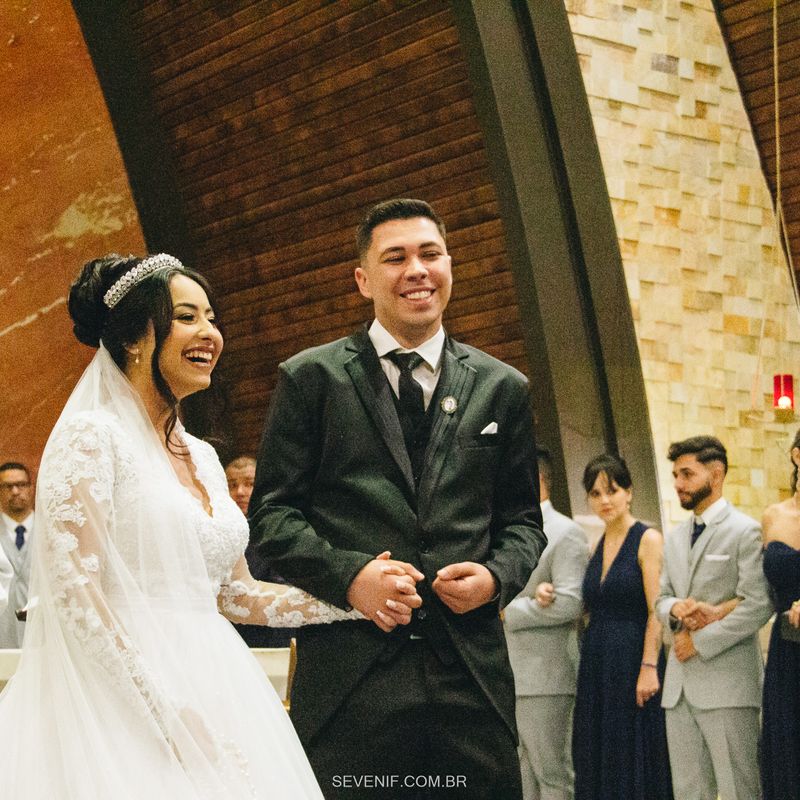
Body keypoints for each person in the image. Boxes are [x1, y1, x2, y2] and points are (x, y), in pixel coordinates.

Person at [0, 252, 422, 799]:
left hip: (221, 679)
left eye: (212, 318)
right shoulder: (91, 438)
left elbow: (234, 593)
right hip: (116, 697)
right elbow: (77, 597)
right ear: (134, 337)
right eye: (186, 317)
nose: (210, 333)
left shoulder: (200, 456)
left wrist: (350, 595)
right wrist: (164, 711)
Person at [249, 198, 547, 799]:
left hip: (469, 674)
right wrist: (352, 576)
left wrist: (493, 579)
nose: (417, 269)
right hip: (352, 677)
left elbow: (523, 523)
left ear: (450, 267)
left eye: (429, 254)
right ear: (363, 280)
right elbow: (272, 517)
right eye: (396, 258)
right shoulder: (312, 379)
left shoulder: (502, 387)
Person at [656, 435, 772, 800]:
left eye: (687, 474)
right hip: (678, 688)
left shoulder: (745, 530)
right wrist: (674, 609)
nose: (678, 483)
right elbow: (659, 599)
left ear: (716, 474)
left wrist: (700, 643)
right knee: (688, 792)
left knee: (739, 790)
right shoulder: (673, 537)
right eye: (675, 474)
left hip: (728, 685)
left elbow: (758, 604)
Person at [572, 454, 673, 800]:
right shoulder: (596, 544)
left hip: (632, 657)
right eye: (596, 494)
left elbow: (656, 610)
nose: (604, 501)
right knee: (599, 747)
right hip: (598, 661)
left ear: (629, 492)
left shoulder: (648, 539)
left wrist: (648, 666)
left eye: (612, 491)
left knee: (632, 749)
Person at [504, 447, 589, 800]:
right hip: (511, 672)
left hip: (547, 674)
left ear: (536, 479)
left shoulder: (564, 532)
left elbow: (570, 603)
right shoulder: (509, 529)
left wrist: (508, 613)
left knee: (552, 774)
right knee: (521, 772)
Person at [760, 429, 800, 799]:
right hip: (787, 648)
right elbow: (762, 588)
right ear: (797, 456)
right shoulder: (773, 516)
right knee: (786, 745)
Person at [225, 456, 296, 649]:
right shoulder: (219, 531)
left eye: (249, 484)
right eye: (232, 485)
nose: (240, 492)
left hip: (271, 633)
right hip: (227, 633)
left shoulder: (276, 527)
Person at [0, 462, 33, 644]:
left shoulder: (52, 532)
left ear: (31, 487)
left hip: (41, 638)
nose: (15, 491)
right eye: (7, 486)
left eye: (21, 485)